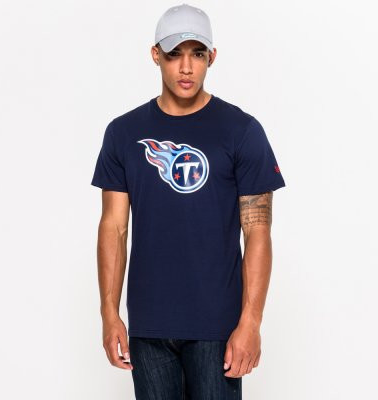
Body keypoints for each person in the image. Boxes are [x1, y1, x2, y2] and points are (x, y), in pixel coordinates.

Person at [90, 3, 286, 399]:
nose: (186, 67)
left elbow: (257, 231)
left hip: (217, 326)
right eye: (174, 53)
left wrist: (251, 321)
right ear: (155, 55)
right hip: (149, 326)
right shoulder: (124, 133)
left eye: (197, 54)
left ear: (211, 57)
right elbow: (114, 226)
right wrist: (109, 314)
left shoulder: (241, 131)